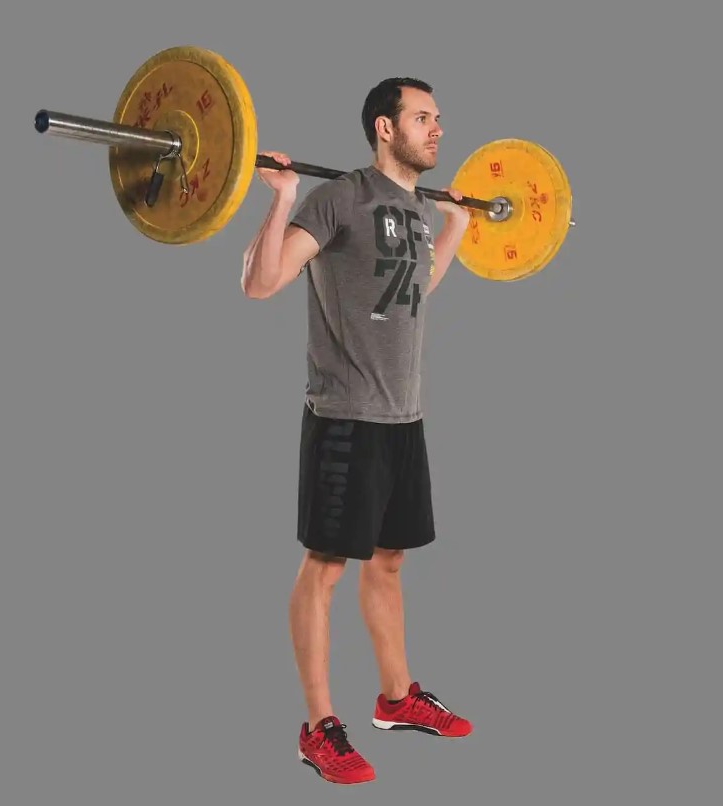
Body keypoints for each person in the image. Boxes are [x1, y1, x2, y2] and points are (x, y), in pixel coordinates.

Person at [240, 77, 473, 785]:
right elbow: (261, 282)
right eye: (423, 118)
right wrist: (281, 202)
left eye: (438, 118)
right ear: (383, 128)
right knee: (325, 567)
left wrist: (457, 229)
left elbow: (407, 292)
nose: (438, 129)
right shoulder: (339, 198)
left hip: (405, 416)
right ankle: (318, 727)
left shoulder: (412, 209)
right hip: (345, 416)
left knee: (391, 559)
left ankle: (397, 698)